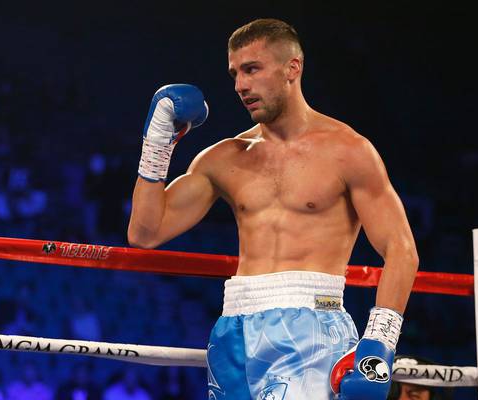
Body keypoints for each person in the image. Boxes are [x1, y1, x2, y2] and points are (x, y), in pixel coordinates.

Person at [127, 18, 418, 400]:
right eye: (234, 74)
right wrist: (157, 144)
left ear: (292, 68)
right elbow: (145, 233)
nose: (240, 85)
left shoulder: (348, 151)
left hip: (312, 329)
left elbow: (401, 249)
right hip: (232, 330)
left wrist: (379, 343)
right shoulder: (224, 158)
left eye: (251, 69)